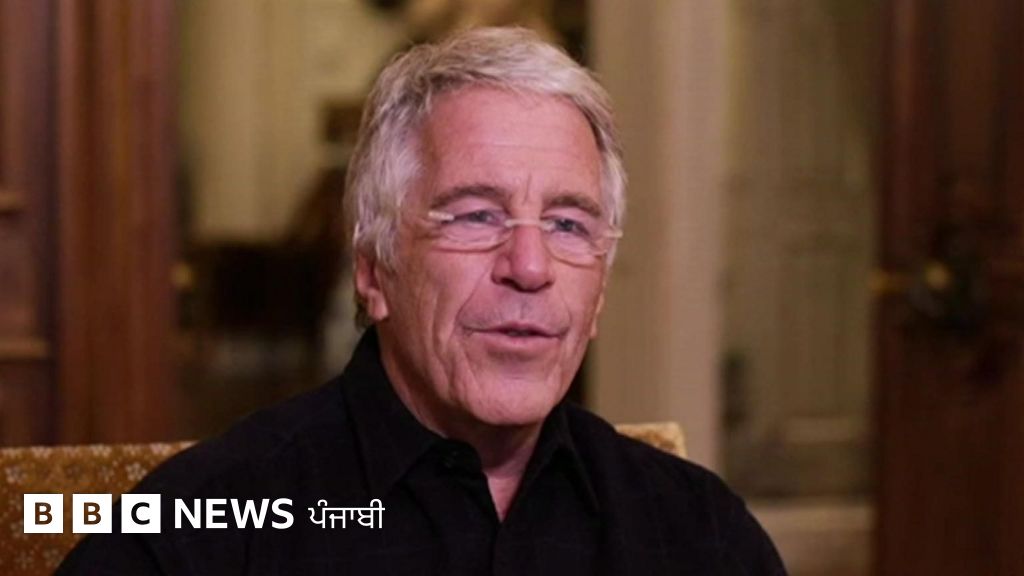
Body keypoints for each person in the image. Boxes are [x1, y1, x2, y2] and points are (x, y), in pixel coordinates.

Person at [58, 27, 786, 575]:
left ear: (597, 294)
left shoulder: (698, 529)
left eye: (568, 225)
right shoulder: (202, 525)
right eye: (475, 216)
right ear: (373, 270)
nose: (530, 267)